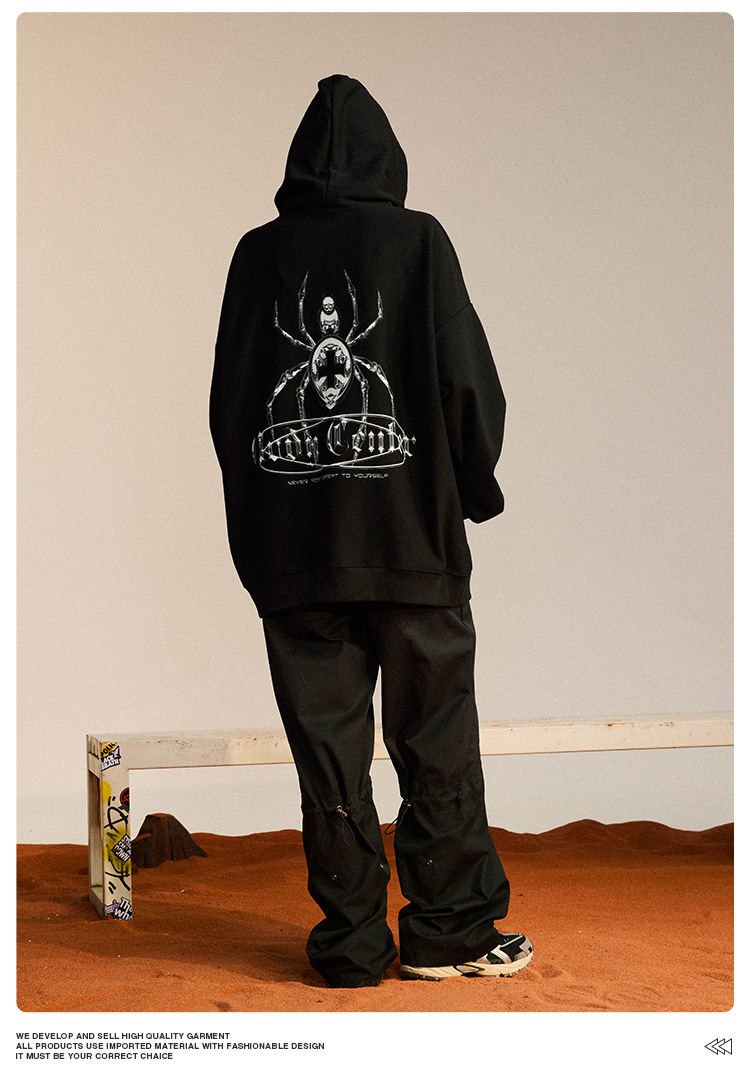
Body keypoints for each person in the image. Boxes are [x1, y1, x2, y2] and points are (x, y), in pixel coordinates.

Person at [210, 73, 533, 989]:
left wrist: (259, 539)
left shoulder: (256, 254)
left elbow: (231, 407)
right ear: (388, 159)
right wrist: (470, 492)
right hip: (412, 546)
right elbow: (470, 385)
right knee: (437, 739)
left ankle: (350, 946)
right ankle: (449, 935)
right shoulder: (419, 241)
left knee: (329, 758)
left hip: (297, 556)